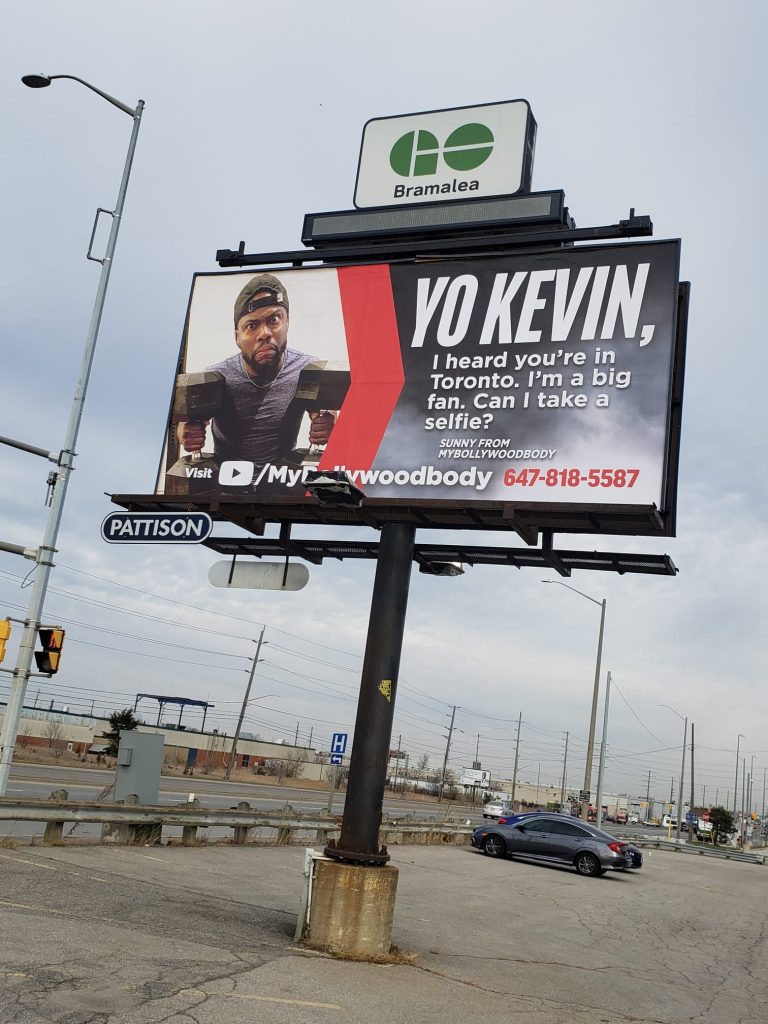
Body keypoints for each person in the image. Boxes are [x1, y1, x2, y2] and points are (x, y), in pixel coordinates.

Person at [175, 272, 335, 473]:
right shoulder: (218, 376)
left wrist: (329, 422)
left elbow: (325, 412)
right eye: (252, 325)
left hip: (280, 484)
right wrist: (186, 432)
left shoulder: (307, 369)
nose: (265, 334)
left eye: (274, 319)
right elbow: (189, 422)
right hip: (228, 484)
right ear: (237, 337)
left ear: (287, 322)